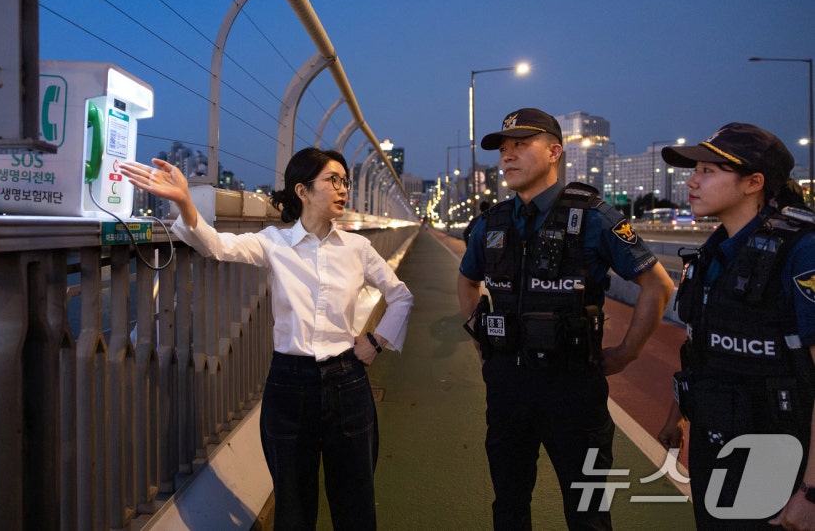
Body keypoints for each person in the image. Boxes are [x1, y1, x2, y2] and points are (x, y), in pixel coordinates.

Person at [120, 147, 413, 530]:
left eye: (345, 181)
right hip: (290, 384)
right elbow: (216, 246)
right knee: (292, 507)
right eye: (333, 180)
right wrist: (184, 201)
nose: (343, 189)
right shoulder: (274, 241)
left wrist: (375, 342)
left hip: (347, 381)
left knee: (355, 503)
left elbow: (401, 296)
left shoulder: (358, 249)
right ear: (302, 190)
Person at [457, 107, 674, 529]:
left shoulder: (593, 216)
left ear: (555, 152)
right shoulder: (492, 222)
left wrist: (626, 353)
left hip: (572, 388)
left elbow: (657, 285)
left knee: (588, 513)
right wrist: (481, 339)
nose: (507, 155)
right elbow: (467, 281)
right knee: (508, 506)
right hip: (507, 388)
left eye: (521, 145)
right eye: (503, 149)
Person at [656, 123, 815, 529]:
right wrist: (677, 415)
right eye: (695, 170)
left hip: (778, 455)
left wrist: (812, 490)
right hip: (715, 443)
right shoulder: (713, 254)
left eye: (708, 171)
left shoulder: (801, 250)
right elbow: (701, 348)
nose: (692, 181)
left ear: (753, 183)